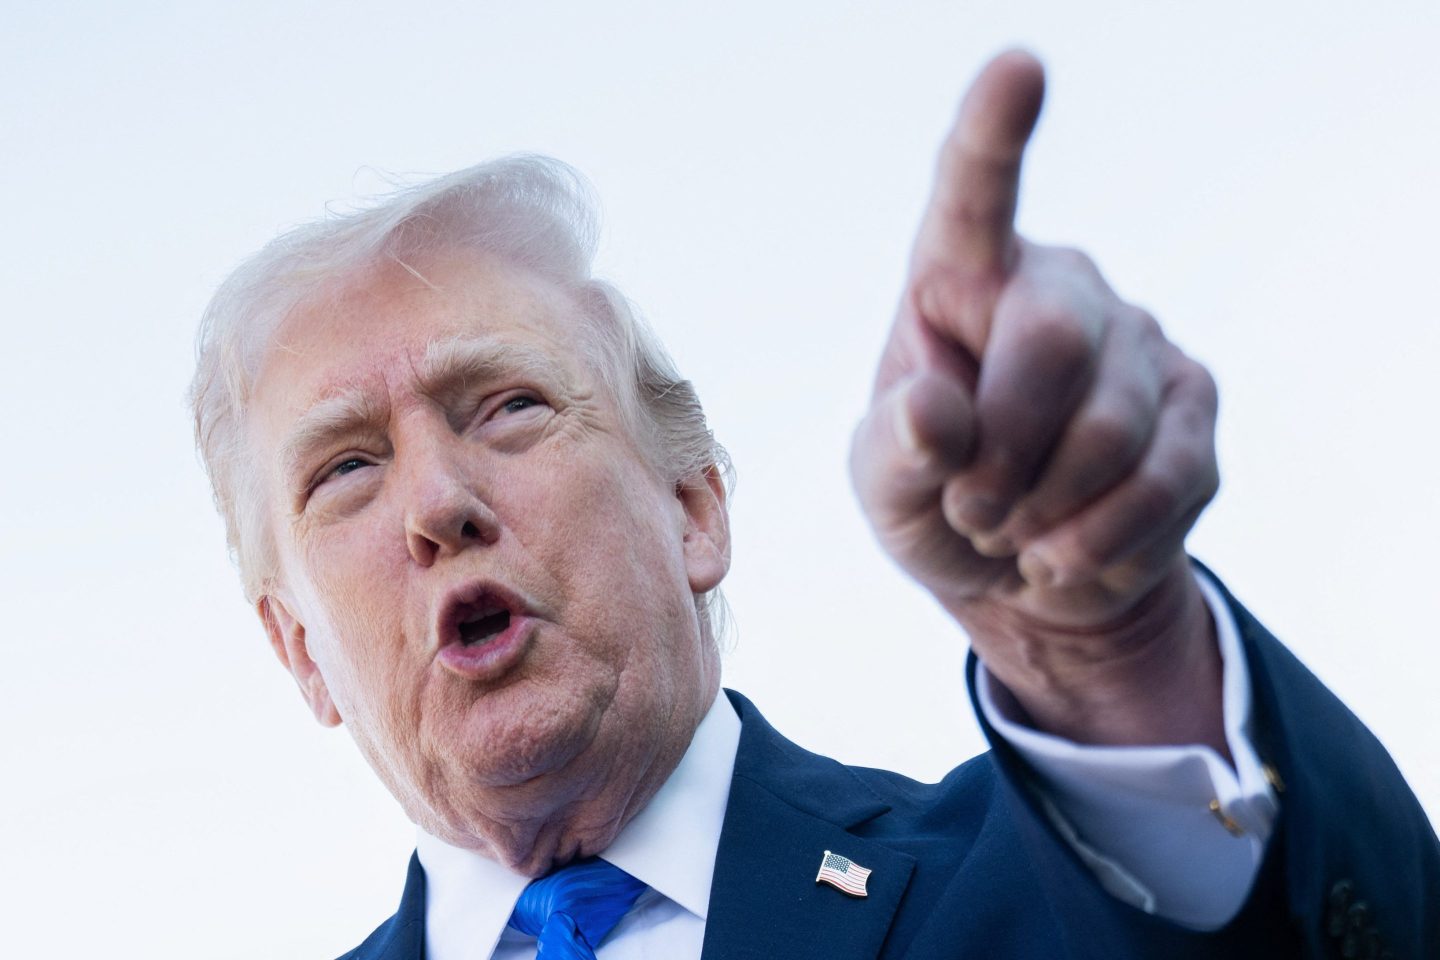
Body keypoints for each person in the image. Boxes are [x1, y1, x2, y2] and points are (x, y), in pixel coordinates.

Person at [189, 51, 1438, 958]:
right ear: (299, 651)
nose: (438, 502)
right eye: (344, 469)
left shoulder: (1046, 886)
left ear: (694, 510)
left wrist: (1118, 650)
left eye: (506, 405)